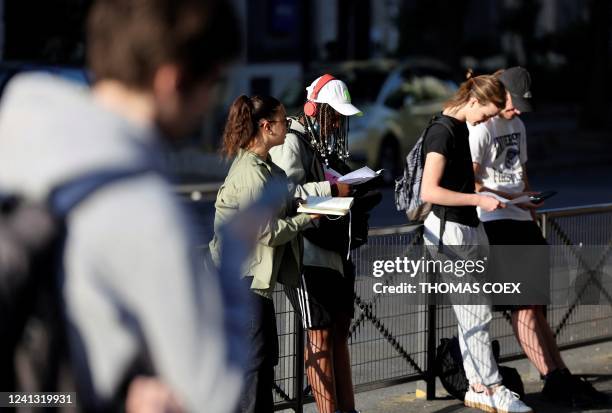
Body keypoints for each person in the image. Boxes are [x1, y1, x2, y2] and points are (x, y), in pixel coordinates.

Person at [0, 1, 243, 411]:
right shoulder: (144, 212)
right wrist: (238, 248)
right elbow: (215, 396)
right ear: (173, 81)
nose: (209, 104)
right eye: (213, 83)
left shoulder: (16, 133)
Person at [469, 66, 609, 408]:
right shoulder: (481, 128)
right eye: (512, 104)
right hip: (495, 220)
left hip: (520, 219)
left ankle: (561, 374)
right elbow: (469, 183)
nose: (516, 111)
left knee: (536, 307)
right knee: (524, 307)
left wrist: (529, 205)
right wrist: (505, 199)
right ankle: (551, 377)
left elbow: (522, 172)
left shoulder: (517, 124)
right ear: (499, 94)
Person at [420, 71, 534, 413]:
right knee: (477, 312)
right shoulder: (442, 132)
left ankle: (480, 385)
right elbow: (430, 190)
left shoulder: (454, 128)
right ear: (473, 101)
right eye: (485, 114)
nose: (485, 121)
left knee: (474, 313)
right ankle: (490, 386)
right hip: (450, 231)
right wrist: (478, 200)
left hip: (464, 229)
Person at [269, 74, 373, 413]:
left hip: (332, 252)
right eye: (333, 115)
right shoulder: (292, 142)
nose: (337, 123)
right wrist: (335, 192)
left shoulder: (316, 142)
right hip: (306, 255)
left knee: (337, 333)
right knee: (320, 336)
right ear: (314, 109)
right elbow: (288, 198)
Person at [209, 95, 318, 413]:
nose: (290, 125)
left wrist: (310, 205)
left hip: (252, 283)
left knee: (263, 363)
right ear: (266, 126)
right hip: (243, 284)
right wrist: (309, 218)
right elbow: (267, 231)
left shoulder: (265, 167)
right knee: (254, 371)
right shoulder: (253, 173)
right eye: (284, 120)